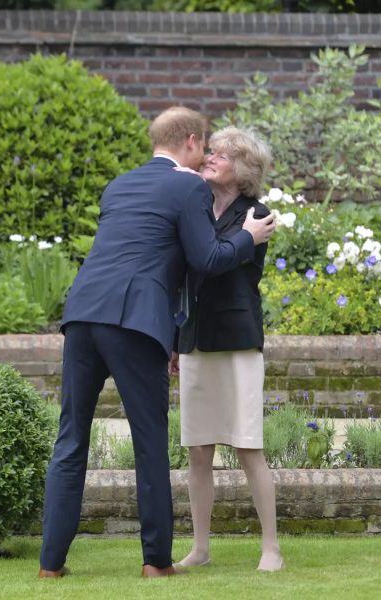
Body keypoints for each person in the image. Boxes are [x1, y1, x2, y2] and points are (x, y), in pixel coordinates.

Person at [38, 107, 276, 579]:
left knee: (69, 441)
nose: (205, 155)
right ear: (190, 140)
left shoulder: (119, 184)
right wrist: (247, 237)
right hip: (133, 322)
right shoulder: (187, 186)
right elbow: (206, 258)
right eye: (203, 145)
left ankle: (50, 565)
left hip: (82, 315)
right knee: (149, 443)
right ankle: (156, 563)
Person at [170, 127, 284, 572]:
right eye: (211, 151)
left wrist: (243, 238)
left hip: (237, 342)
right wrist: (178, 342)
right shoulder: (196, 207)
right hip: (196, 340)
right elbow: (188, 276)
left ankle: (271, 547)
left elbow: (214, 261)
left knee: (248, 446)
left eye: (223, 154)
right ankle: (200, 548)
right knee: (198, 449)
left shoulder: (258, 214)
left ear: (244, 169)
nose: (211, 157)